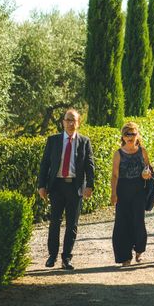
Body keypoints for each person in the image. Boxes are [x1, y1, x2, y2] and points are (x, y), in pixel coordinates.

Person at [38, 109, 95, 270]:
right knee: (55, 222)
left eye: (73, 120)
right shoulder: (53, 140)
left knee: (72, 224)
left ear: (78, 123)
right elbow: (45, 165)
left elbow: (89, 166)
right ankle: (52, 255)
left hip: (75, 187)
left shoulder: (84, 141)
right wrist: (41, 185)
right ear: (63, 122)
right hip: (56, 186)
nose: (70, 123)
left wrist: (90, 186)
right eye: (68, 120)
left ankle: (66, 258)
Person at [111, 122, 154, 266]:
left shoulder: (142, 151)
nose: (130, 137)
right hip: (123, 190)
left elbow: (148, 168)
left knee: (138, 221)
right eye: (127, 134)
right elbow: (115, 175)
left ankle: (139, 251)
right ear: (123, 136)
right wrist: (113, 194)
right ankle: (125, 257)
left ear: (137, 135)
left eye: (133, 134)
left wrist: (146, 173)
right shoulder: (118, 153)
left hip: (138, 190)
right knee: (122, 223)